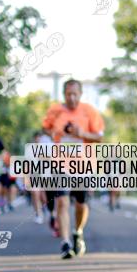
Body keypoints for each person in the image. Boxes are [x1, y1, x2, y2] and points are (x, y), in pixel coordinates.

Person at [41, 79, 104, 258]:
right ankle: (65, 242)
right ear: (64, 94)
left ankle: (77, 232)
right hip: (61, 163)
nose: (72, 97)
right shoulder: (55, 111)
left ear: (81, 94)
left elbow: (99, 138)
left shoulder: (89, 111)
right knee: (62, 201)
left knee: (81, 205)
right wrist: (56, 133)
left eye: (75, 94)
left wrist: (82, 134)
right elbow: (46, 129)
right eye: (69, 94)